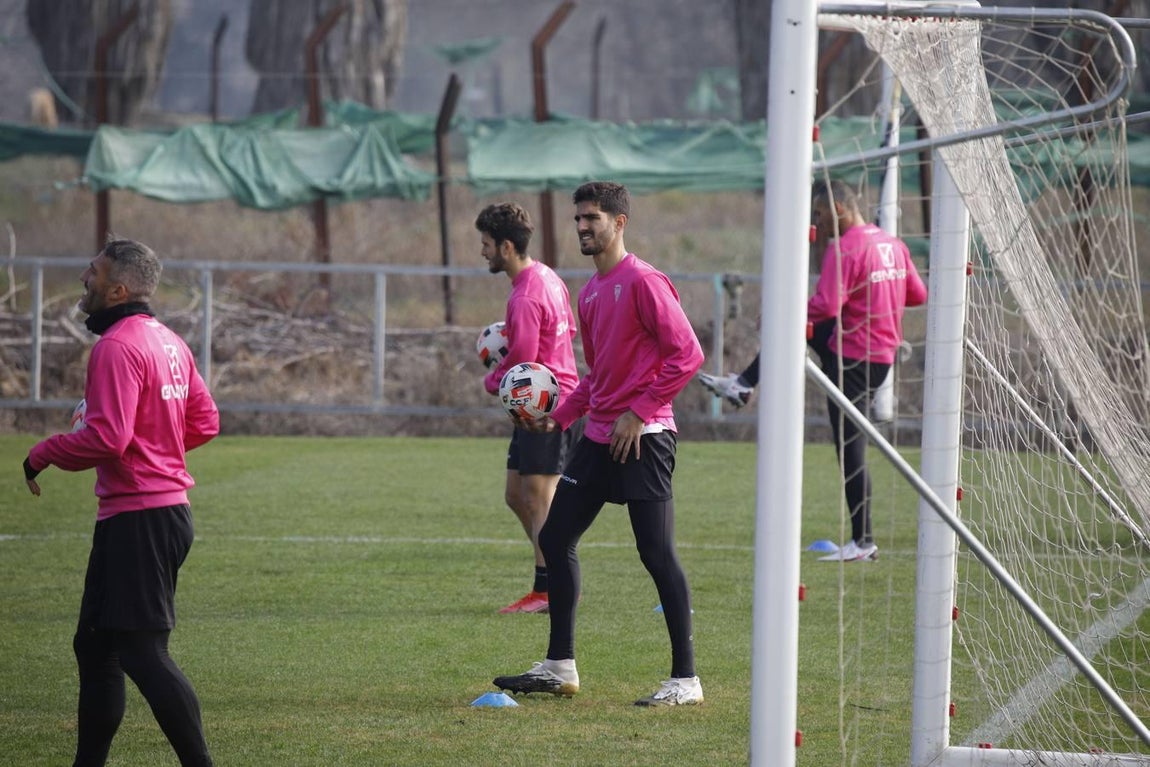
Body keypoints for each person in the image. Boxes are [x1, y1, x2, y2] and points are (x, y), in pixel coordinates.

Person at [492, 181, 706, 707]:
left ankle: (686, 679)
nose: (584, 227)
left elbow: (688, 354)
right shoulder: (588, 293)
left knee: (655, 553)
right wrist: (557, 416)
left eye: (593, 218)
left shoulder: (644, 282)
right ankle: (559, 666)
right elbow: (596, 378)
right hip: (597, 436)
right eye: (578, 219)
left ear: (619, 222)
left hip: (644, 437)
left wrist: (639, 411)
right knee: (557, 536)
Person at [22, 238, 220, 767]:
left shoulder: (115, 347)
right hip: (152, 515)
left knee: (141, 651)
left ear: (119, 288)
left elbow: (107, 439)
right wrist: (157, 447)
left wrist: (44, 452)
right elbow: (204, 421)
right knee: (95, 647)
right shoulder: (168, 340)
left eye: (93, 272)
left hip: (141, 518)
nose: (84, 279)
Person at [807, 179, 926, 562]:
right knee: (851, 445)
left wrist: (786, 309)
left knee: (851, 448)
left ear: (839, 208)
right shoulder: (892, 243)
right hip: (881, 357)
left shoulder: (845, 248)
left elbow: (825, 306)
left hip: (853, 356)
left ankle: (863, 541)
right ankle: (745, 382)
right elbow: (918, 295)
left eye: (821, 214)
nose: (819, 223)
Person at [476, 202, 581, 614]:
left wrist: (490, 379)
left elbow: (521, 357)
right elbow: (568, 330)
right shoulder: (548, 278)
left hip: (546, 408)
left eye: (486, 245)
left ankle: (549, 589)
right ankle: (553, 571)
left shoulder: (524, 296)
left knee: (539, 497)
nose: (482, 252)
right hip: (533, 406)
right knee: (516, 495)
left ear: (505, 247)